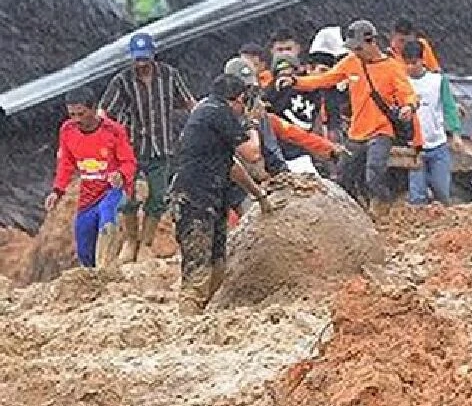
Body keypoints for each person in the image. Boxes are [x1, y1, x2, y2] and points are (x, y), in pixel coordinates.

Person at [279, 19, 417, 218]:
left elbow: (407, 93)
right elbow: (324, 79)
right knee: (343, 176)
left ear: (372, 42)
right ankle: (351, 214)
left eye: (359, 48)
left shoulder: (392, 67)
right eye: (353, 48)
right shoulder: (352, 62)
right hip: (357, 132)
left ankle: (384, 206)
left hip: (381, 130)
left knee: (374, 172)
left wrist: (408, 107)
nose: (356, 52)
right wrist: (295, 81)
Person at [170, 74, 274, 315]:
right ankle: (187, 323)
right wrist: (253, 124)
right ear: (236, 99)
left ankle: (200, 316)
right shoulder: (218, 113)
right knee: (198, 268)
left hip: (210, 198)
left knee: (217, 266)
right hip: (194, 198)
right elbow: (252, 154)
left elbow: (231, 165)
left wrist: (259, 196)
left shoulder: (209, 110)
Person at [99, 31, 196, 262]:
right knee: (128, 197)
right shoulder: (122, 80)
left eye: (145, 57)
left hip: (161, 146)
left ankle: (146, 242)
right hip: (131, 148)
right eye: (137, 58)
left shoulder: (169, 75)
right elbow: (105, 112)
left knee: (159, 196)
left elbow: (189, 102)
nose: (141, 63)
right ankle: (131, 240)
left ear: (153, 54)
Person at [47, 87, 138, 271]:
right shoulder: (68, 130)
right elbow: (66, 163)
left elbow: (129, 162)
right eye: (72, 114)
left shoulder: (113, 131)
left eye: (81, 113)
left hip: (113, 189)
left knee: (107, 216)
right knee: (84, 243)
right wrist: (57, 191)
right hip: (89, 193)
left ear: (94, 109)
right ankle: (91, 276)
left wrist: (120, 175)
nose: (77, 119)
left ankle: (107, 268)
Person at [403, 39, 462, 205]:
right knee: (417, 194)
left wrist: (455, 133)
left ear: (422, 60)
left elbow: (449, 106)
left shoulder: (437, 81)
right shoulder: (402, 82)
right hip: (415, 147)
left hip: (438, 144)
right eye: (406, 63)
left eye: (413, 63)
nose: (410, 67)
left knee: (442, 190)